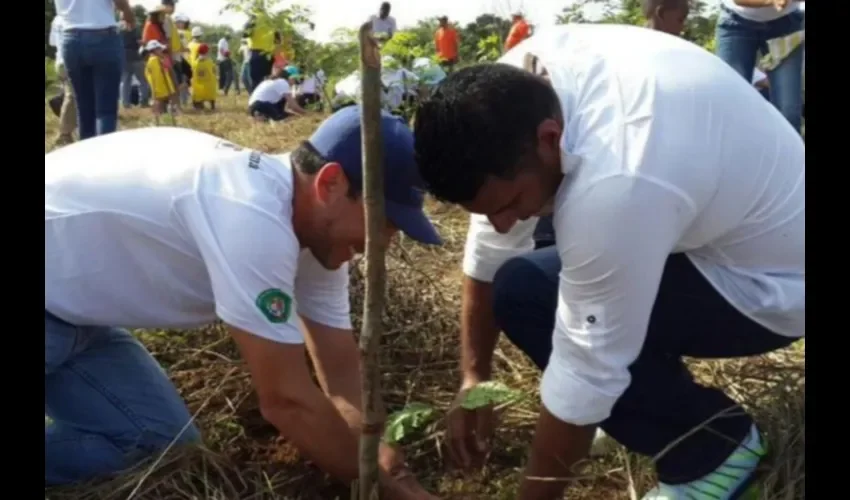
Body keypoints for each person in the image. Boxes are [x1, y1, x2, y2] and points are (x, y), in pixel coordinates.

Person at [412, 24, 804, 500]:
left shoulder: (618, 177)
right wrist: (474, 377)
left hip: (769, 285)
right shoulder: (515, 88)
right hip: (713, 222)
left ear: (548, 137)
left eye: (507, 203)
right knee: (537, 239)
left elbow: (587, 369)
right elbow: (491, 248)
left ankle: (712, 449)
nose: (499, 223)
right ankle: (649, 406)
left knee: (527, 292)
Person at [46, 107, 442, 500]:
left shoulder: (317, 239)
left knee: (157, 446)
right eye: (384, 222)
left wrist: (377, 454)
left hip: (78, 320)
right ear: (330, 183)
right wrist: (388, 493)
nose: (385, 243)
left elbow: (340, 374)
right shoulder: (250, 215)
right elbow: (287, 401)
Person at [715, 0, 805, 133]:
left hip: (786, 25)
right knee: (731, 106)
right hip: (735, 24)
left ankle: (789, 153)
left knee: (788, 112)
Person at [54, 0, 133, 140]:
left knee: (84, 108)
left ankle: (87, 156)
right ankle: (104, 155)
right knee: (105, 110)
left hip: (70, 38)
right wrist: (127, 13)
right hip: (103, 36)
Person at [48, 13, 76, 146]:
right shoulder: (75, 16)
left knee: (69, 95)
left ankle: (68, 130)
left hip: (60, 61)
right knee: (71, 96)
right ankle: (64, 134)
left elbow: (52, 42)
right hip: (69, 60)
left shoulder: (56, 19)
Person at [120, 10, 151, 109]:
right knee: (143, 80)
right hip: (136, 56)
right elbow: (140, 42)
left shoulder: (117, 27)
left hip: (123, 56)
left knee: (125, 81)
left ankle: (125, 103)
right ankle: (144, 102)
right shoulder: (135, 27)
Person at [143, 40, 177, 124]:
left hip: (160, 88)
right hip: (162, 88)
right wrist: (166, 88)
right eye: (159, 49)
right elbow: (158, 76)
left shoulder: (154, 60)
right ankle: (161, 121)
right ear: (154, 50)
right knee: (161, 104)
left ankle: (161, 121)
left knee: (163, 105)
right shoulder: (155, 60)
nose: (161, 51)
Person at [243, 14, 276, 91]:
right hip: (269, 55)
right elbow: (277, 39)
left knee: (256, 82)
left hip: (257, 54)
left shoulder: (253, 19)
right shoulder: (270, 19)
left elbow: (245, 34)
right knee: (267, 81)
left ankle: (256, 100)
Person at [190, 44, 217, 111]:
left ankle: (199, 104)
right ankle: (212, 105)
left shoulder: (195, 63)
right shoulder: (210, 62)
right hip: (210, 87)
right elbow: (214, 71)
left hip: (199, 87)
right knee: (211, 92)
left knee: (197, 97)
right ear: (207, 52)